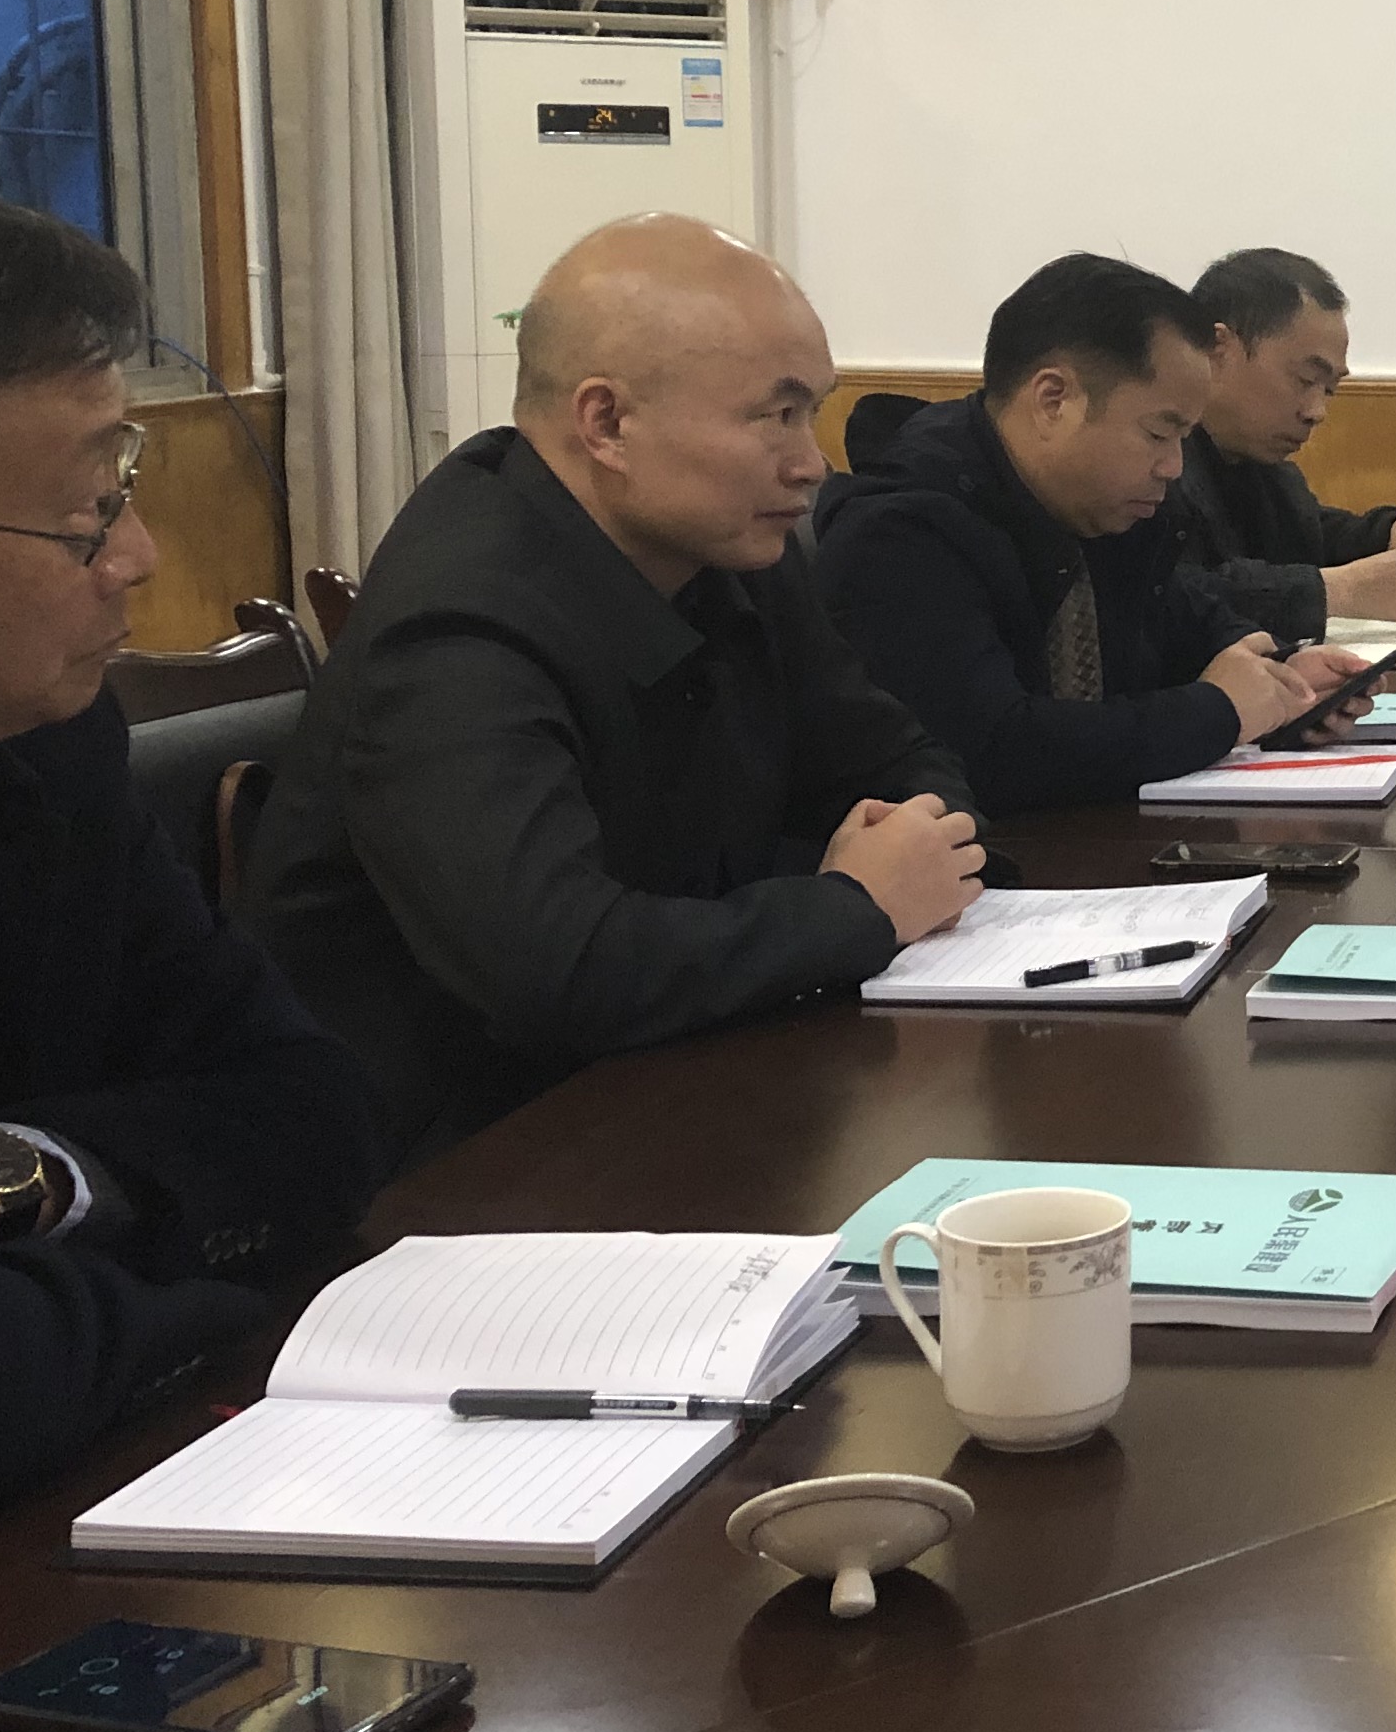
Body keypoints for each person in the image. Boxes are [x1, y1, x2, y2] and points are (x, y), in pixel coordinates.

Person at [0, 179, 377, 1542]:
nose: (138, 557)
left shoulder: (40, 751)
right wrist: (200, 1299)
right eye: (89, 512)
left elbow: (308, 1111)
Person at [246, 217, 985, 1163]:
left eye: (813, 413)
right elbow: (557, 969)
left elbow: (902, 761)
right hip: (460, 1160)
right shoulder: (459, 625)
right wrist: (855, 907)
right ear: (607, 424)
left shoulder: (729, 552)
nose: (813, 462)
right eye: (776, 415)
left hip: (678, 1081)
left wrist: (909, 844)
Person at [813, 257, 1364, 820]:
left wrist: (1280, 674)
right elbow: (994, 752)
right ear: (1053, 401)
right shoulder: (901, 534)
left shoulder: (1100, 507)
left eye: (1184, 438)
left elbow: (1182, 614)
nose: (1174, 467)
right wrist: (1221, 711)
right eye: (1159, 433)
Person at [1171, 246, 1396, 641]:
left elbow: (1325, 536)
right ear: (1218, 349)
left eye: (1329, 389)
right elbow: (1165, 598)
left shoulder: (1268, 473)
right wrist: (1339, 590)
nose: (1317, 412)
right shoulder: (1154, 463)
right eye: (1305, 380)